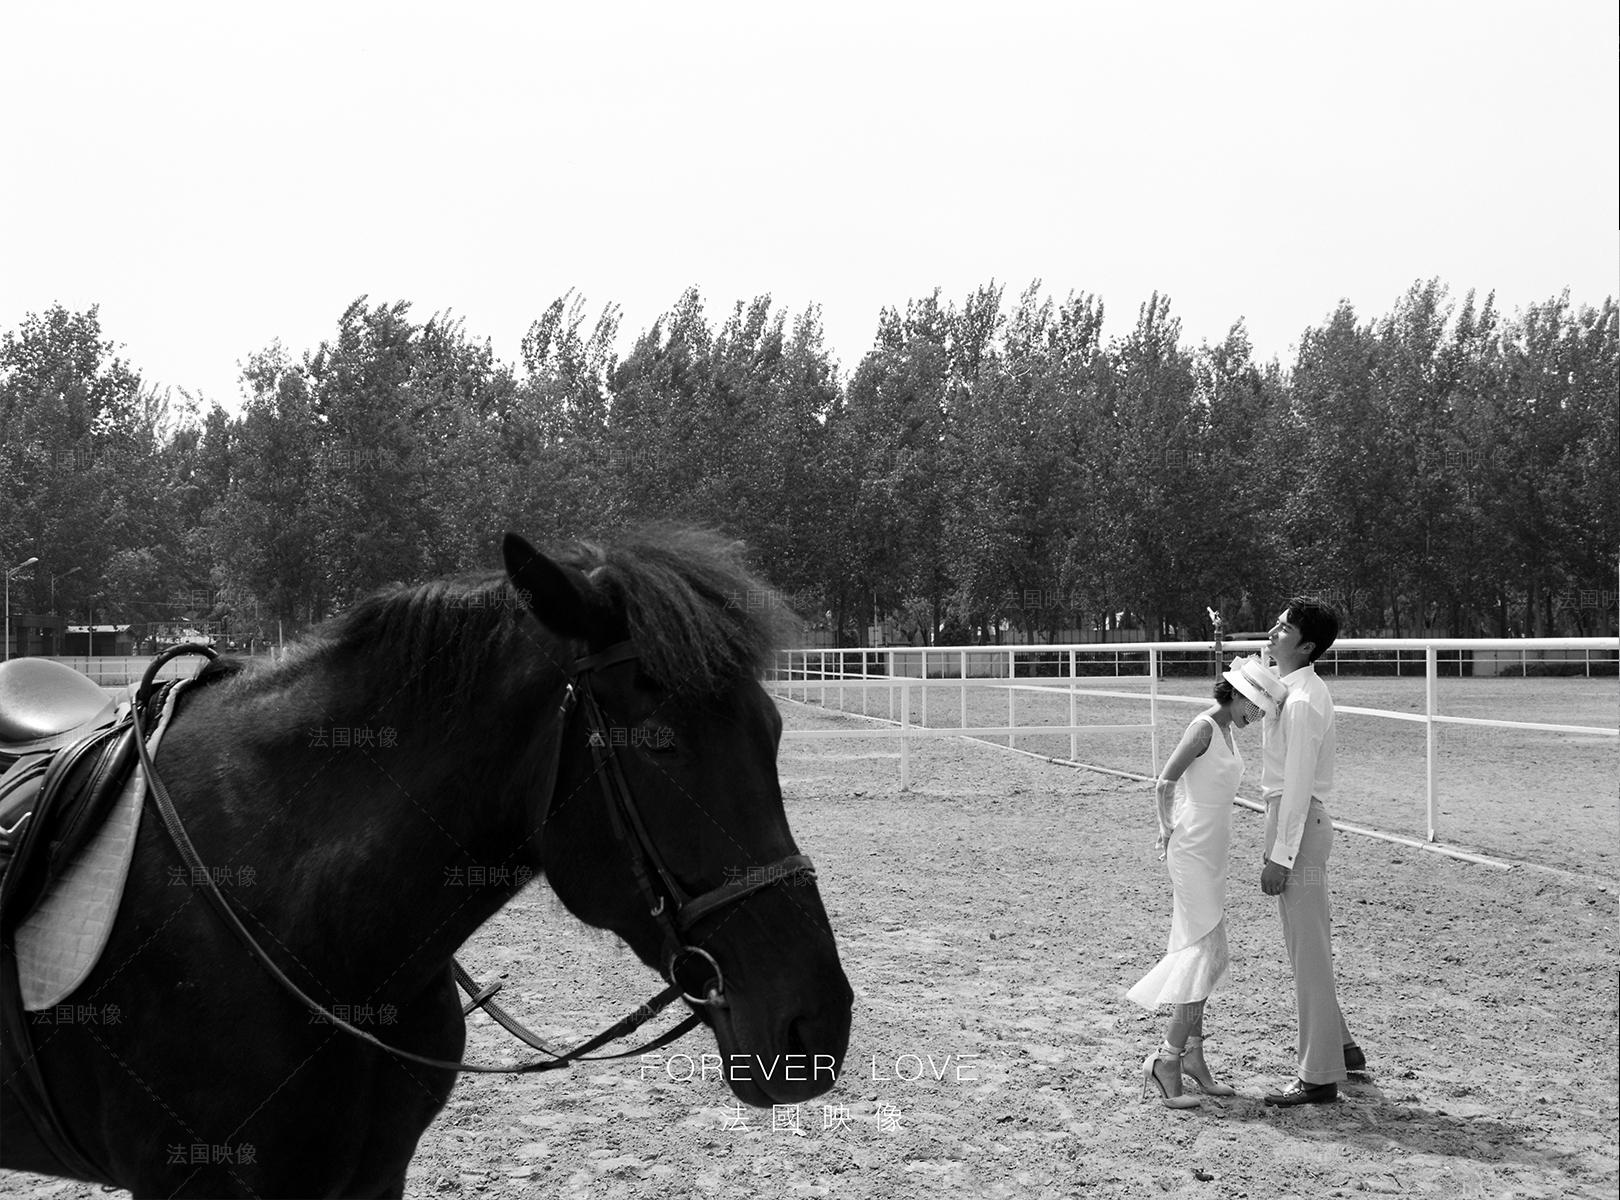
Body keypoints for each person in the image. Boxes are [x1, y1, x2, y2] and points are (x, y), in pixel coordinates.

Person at [1130, 654, 1286, 1108]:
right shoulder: (1203, 728)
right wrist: (1165, 826)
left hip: (1212, 848)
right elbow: (1164, 783)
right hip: (1193, 847)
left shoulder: (1228, 732)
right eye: (1254, 705)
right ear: (1235, 694)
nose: (1257, 715)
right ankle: (1167, 1059)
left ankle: (1192, 1059)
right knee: (1205, 954)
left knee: (1206, 955)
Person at [1259, 597, 1365, 1106]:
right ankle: (1341, 1048)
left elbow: (1298, 784)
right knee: (1310, 945)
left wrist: (1281, 854)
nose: (1273, 631)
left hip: (1295, 823)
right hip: (1294, 819)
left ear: (1306, 645)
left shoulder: (1301, 701)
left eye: (1284, 628)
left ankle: (1319, 1073)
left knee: (1308, 952)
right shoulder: (1294, 688)